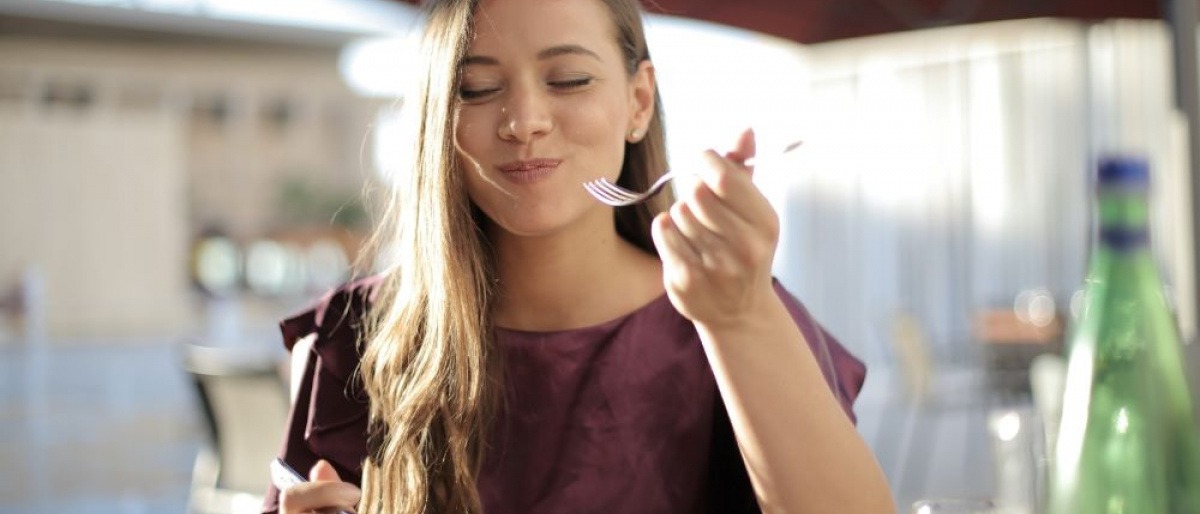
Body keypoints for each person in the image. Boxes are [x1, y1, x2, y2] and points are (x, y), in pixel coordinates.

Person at [264, 0, 894, 512]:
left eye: (568, 79)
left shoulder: (733, 311)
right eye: (478, 89)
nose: (524, 121)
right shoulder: (356, 337)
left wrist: (741, 319)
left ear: (638, 102)